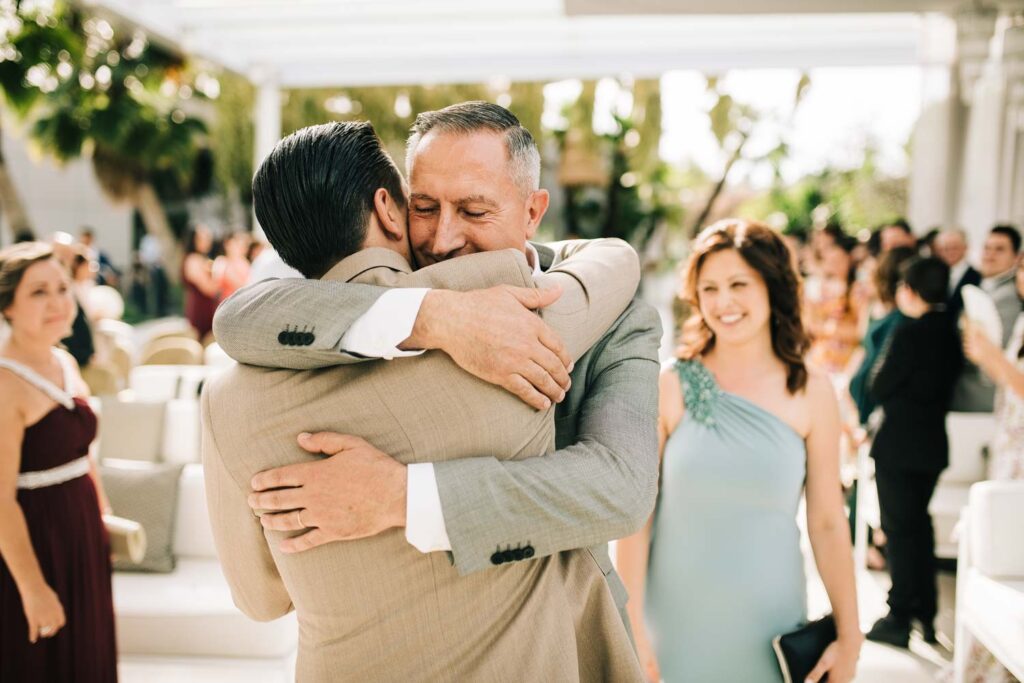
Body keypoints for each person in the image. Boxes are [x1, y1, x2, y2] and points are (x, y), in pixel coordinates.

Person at [203, 121, 645, 680]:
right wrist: (433, 315)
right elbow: (615, 260)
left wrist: (400, 500)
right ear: (391, 209)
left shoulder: (224, 399)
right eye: (425, 207)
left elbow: (260, 601)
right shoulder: (508, 306)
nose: (441, 240)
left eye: (474, 211)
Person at [617, 219, 862, 683]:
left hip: (771, 622)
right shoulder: (670, 384)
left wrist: (850, 637)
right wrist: (631, 626)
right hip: (673, 622)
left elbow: (828, 522)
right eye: (709, 288)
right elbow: (637, 517)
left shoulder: (813, 391)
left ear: (773, 287)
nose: (722, 302)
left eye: (738, 285)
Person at [0, 242, 116, 681]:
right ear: (7, 305)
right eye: (38, 292)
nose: (57, 302)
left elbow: (83, 454)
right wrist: (32, 589)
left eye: (62, 288)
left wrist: (101, 517)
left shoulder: (65, 361)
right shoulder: (5, 385)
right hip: (35, 540)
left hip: (81, 530)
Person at [865, 257, 964, 648]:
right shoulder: (952, 332)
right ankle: (926, 612)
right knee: (919, 530)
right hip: (932, 446)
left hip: (898, 446)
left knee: (899, 532)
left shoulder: (908, 331)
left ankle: (900, 614)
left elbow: (878, 383)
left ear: (909, 290)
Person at [963, 261, 1024, 480]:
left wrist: (992, 353)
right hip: (1010, 435)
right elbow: (1007, 380)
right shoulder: (1021, 321)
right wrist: (983, 355)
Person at [952, 225, 1022, 412]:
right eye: (987, 248)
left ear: (1016, 257)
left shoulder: (1008, 297)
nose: (989, 255)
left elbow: (994, 351)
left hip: (982, 397)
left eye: (999, 249)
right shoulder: (986, 287)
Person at [181, 225, 220, 340]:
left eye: (208, 238)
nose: (207, 241)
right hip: (201, 311)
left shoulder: (201, 258)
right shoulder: (193, 260)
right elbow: (208, 288)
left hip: (207, 309)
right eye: (202, 238)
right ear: (193, 240)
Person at [933, 228, 980, 317]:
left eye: (954, 248)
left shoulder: (976, 276)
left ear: (965, 247)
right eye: (945, 248)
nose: (949, 252)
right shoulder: (936, 274)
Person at [212, 231, 251, 300]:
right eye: (235, 243)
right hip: (228, 302)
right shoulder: (221, 262)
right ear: (226, 244)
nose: (240, 246)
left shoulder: (244, 262)